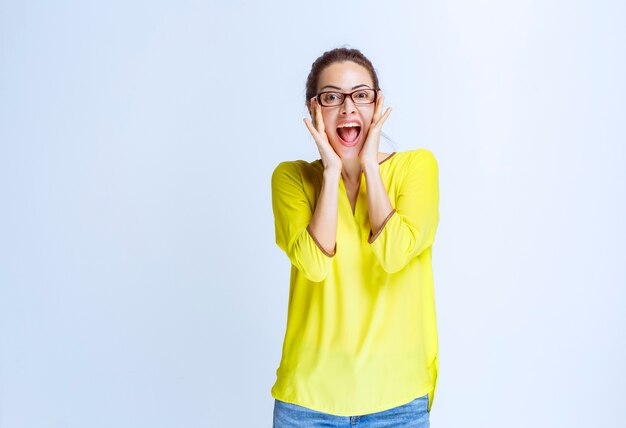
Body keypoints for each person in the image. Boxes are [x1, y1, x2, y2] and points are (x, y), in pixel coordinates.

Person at [270, 47, 440, 427]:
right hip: (307, 404)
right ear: (315, 111)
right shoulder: (293, 179)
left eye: (360, 95)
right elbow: (314, 265)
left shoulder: (417, 168)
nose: (348, 108)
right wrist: (331, 171)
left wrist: (368, 166)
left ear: (377, 105)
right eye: (332, 97)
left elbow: (395, 254)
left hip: (397, 401)